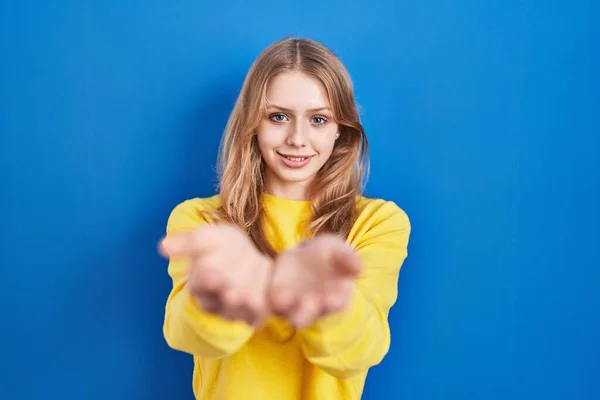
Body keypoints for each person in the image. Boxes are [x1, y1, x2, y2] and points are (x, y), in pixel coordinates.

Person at [158, 37, 411, 400]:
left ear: (340, 128)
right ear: (253, 124)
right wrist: (219, 296)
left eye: (318, 119)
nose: (297, 139)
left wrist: (329, 298)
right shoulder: (201, 220)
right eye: (278, 117)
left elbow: (363, 349)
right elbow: (184, 334)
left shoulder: (378, 222)